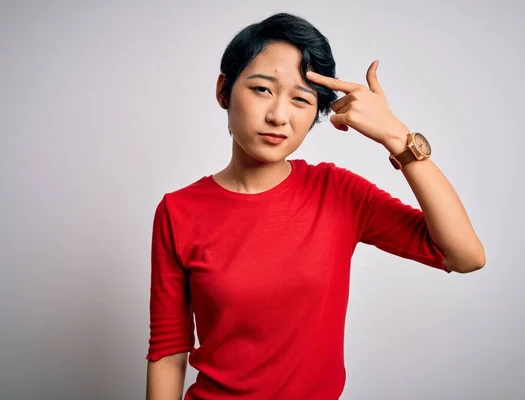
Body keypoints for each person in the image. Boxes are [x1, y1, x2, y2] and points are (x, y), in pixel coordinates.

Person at [145, 12, 485, 400]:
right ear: (224, 90)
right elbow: (169, 351)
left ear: (316, 115)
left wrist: (396, 136)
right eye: (261, 89)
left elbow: (465, 256)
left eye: (301, 100)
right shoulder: (178, 211)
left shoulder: (337, 193)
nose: (278, 116)